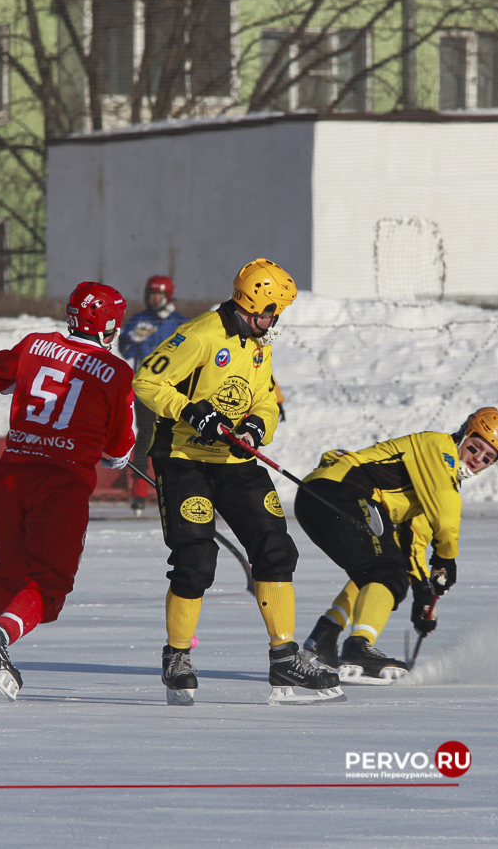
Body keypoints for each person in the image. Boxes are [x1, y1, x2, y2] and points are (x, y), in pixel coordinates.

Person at [132, 257, 343, 706]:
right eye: (271, 312)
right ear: (250, 304)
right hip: (183, 459)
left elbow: (266, 398)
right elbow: (147, 379)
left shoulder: (260, 341)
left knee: (275, 548)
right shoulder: (203, 334)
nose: (273, 321)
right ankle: (177, 657)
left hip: (233, 458)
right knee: (196, 559)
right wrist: (190, 409)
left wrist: (256, 430)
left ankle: (284, 655)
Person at [0, 282, 135, 700]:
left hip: (13, 475)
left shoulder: (36, 345)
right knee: (49, 585)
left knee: (6, 572)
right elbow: (118, 446)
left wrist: (22, 381)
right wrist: (116, 457)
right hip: (61, 482)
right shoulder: (117, 372)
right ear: (107, 326)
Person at [298, 408, 498, 682]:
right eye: (475, 448)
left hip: (322, 497)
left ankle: (325, 636)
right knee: (385, 572)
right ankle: (358, 648)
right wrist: (447, 559)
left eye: (487, 458)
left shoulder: (435, 483)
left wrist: (423, 593)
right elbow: (446, 518)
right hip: (342, 492)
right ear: (463, 435)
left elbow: (411, 543)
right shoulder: (439, 450)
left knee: (378, 570)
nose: (477, 460)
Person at [118, 275, 187, 515]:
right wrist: (132, 338)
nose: (153, 298)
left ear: (168, 296)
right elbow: (124, 350)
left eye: (158, 294)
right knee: (146, 439)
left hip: (172, 394)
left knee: (176, 441)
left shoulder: (180, 323)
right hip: (145, 395)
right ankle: (139, 494)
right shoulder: (139, 320)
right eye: (150, 294)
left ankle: (180, 491)